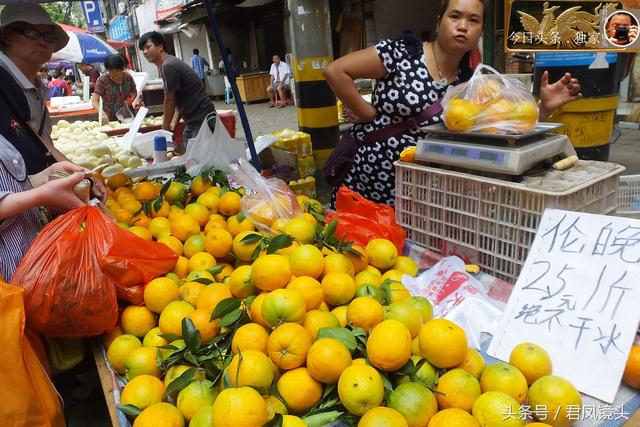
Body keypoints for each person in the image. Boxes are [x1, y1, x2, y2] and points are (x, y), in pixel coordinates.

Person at [323, 0, 582, 206]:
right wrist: (366, 113)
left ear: (480, 31)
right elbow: (336, 71)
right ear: (439, 22)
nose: (462, 26)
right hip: (367, 176)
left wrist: (544, 107)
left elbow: (502, 127)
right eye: (454, 16)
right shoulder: (402, 52)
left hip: (417, 189)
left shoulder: (471, 85)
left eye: (473, 20)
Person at [138, 31, 216, 145]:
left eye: (148, 47)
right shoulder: (167, 64)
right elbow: (180, 96)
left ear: (160, 47)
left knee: (201, 159)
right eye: (143, 50)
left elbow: (169, 100)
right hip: (194, 119)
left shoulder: (168, 65)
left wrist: (164, 129)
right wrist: (175, 121)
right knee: (191, 155)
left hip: (201, 118)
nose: (145, 52)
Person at [91, 53, 137, 124]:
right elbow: (94, 100)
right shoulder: (102, 80)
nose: (114, 74)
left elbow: (134, 92)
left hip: (128, 117)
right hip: (109, 118)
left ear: (122, 68)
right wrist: (102, 113)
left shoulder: (128, 78)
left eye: (117, 71)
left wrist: (131, 100)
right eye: (111, 71)